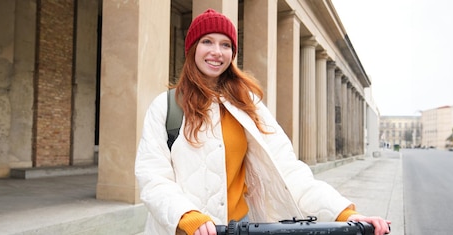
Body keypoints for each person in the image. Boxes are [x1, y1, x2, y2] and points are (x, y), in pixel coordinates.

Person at [135, 8, 391, 235]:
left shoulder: (247, 105)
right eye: (207, 42)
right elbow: (153, 177)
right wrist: (186, 216)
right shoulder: (166, 106)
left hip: (239, 226)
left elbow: (288, 170)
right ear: (192, 48)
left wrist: (343, 213)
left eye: (226, 45)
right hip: (182, 231)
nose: (217, 52)